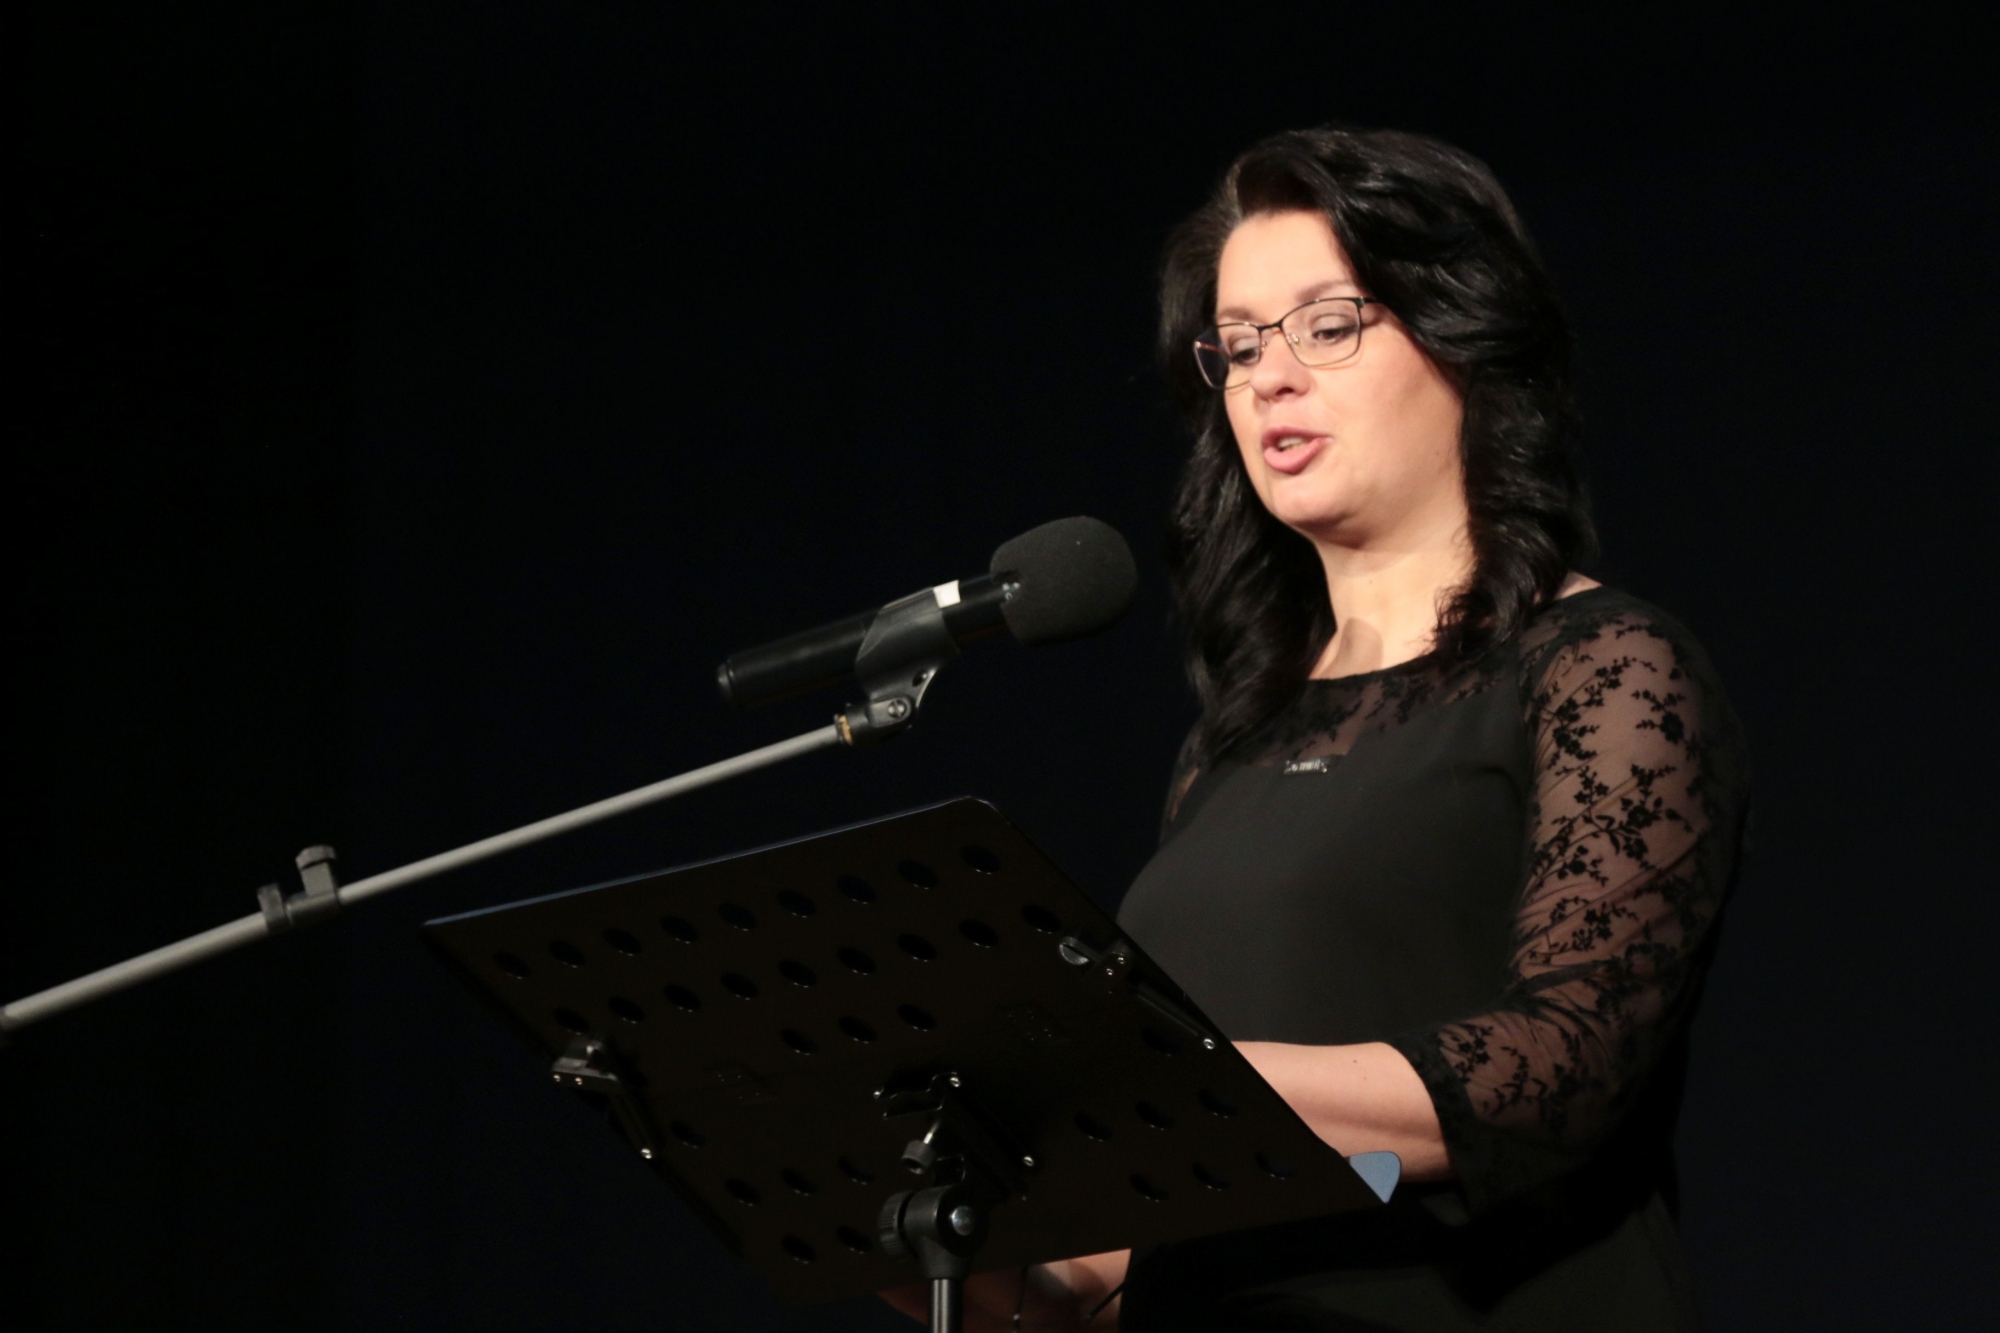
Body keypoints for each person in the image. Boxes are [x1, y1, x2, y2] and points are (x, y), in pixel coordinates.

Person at [887, 125, 1749, 1331]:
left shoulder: (1602, 666)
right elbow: (1133, 1249)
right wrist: (950, 1244)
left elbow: (1560, 1065)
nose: (1268, 378)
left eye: (1326, 326)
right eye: (1238, 346)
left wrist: (1148, 1079)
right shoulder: (1233, 739)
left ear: (1462, 338)